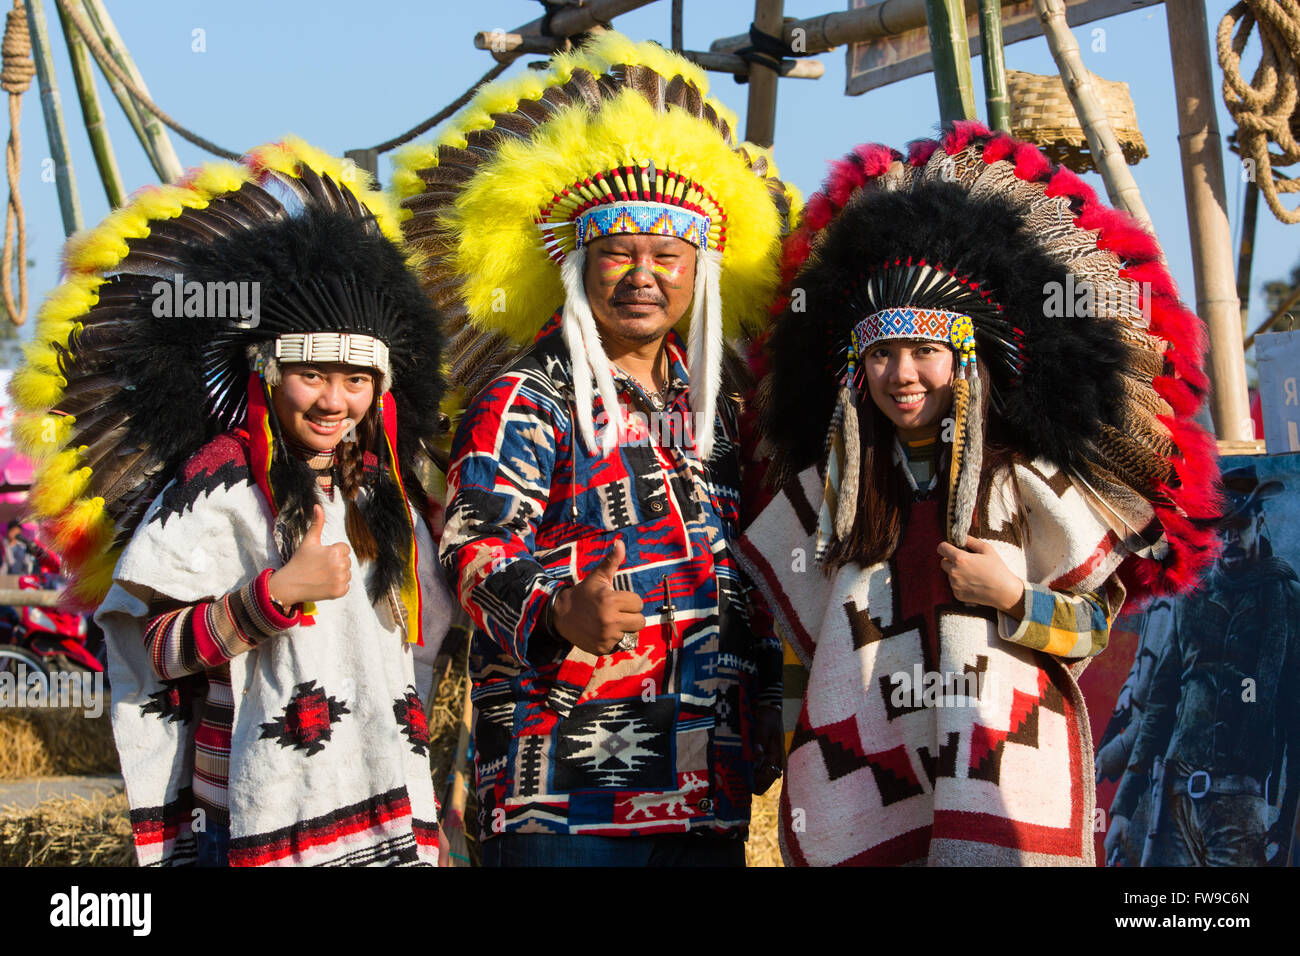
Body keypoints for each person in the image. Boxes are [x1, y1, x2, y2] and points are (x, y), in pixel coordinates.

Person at [737, 124, 1219, 866]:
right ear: (852, 369)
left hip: (999, 783)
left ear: (969, 361)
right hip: (866, 784)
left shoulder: (1026, 482)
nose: (903, 375)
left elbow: (1093, 627)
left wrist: (1013, 598)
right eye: (883, 354)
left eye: (926, 351)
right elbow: (799, 643)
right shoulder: (832, 492)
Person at [394, 34, 793, 865]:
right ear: (579, 266)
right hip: (564, 787)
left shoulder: (718, 407)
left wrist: (762, 705)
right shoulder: (525, 398)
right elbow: (473, 550)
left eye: (667, 255)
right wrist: (558, 609)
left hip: (703, 774)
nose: (642, 274)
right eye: (618, 252)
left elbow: (744, 571)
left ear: (700, 273)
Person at [12, 139, 451, 866]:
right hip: (262, 808)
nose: (335, 400)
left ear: (381, 388)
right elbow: (159, 647)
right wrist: (276, 594)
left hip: (387, 799)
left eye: (356, 381)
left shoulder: (383, 491)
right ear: (269, 376)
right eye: (312, 375)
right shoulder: (216, 485)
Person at [1108, 465, 1300, 866]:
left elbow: (1293, 719)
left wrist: (1285, 821)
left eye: (1239, 527)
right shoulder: (1193, 596)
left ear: (1259, 521)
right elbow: (1160, 705)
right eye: (1221, 529)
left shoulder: (1285, 600)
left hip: (1240, 805)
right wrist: (1125, 807)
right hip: (1173, 799)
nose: (1228, 539)